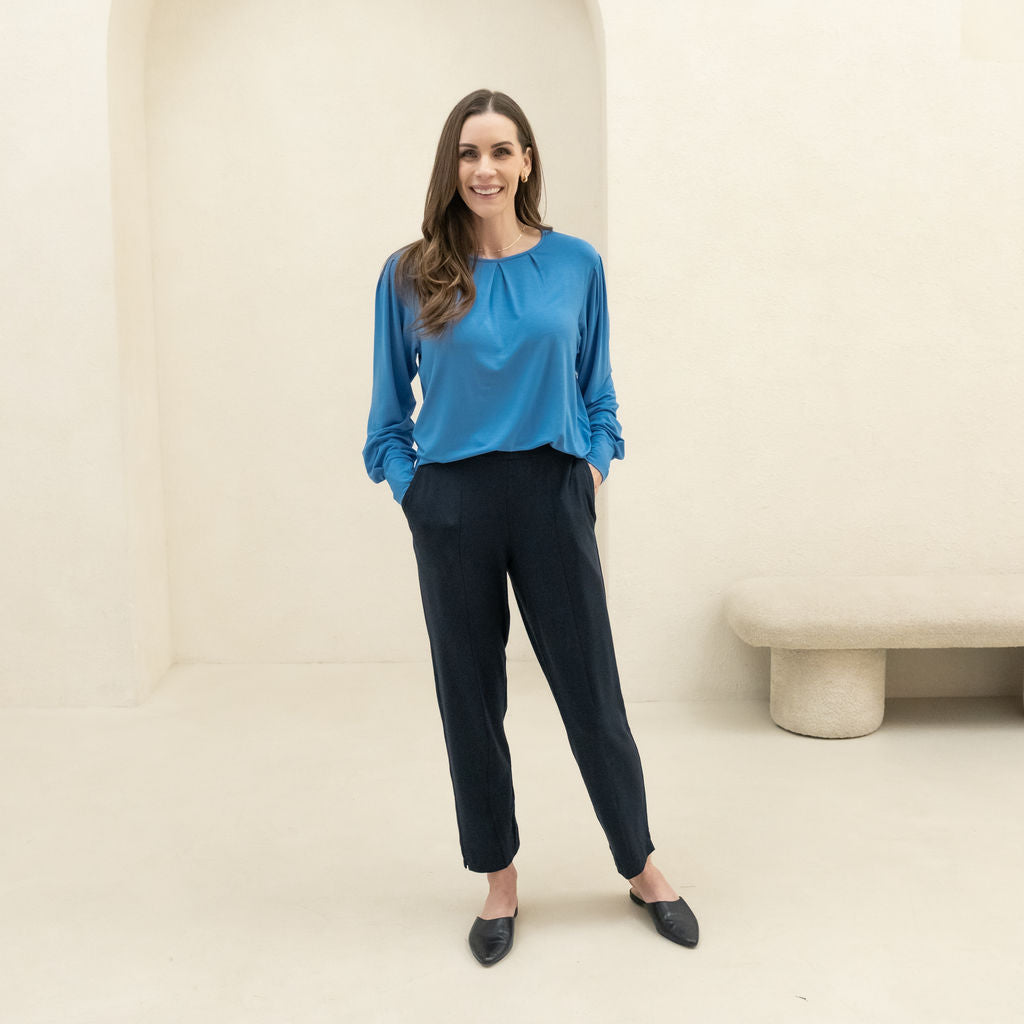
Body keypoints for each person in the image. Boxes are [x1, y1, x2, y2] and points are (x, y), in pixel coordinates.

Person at [362, 88, 699, 965]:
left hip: (552, 491)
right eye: (469, 153)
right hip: (452, 504)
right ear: (451, 165)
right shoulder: (410, 274)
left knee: (592, 690)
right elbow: (386, 422)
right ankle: (499, 881)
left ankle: (641, 865)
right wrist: (416, 495)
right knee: (470, 701)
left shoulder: (576, 264)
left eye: (501, 151)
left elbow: (599, 392)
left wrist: (590, 469)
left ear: (527, 162)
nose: (485, 168)